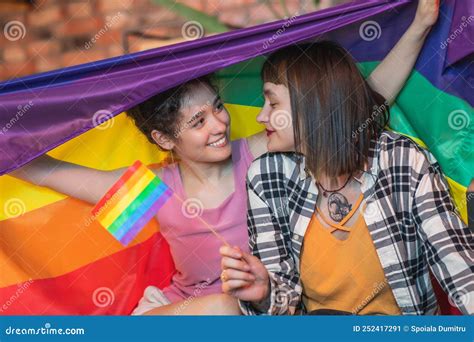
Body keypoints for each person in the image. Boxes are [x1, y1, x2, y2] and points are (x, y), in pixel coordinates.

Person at [10, 0, 440, 316]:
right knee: (220, 309)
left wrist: (420, 25)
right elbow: (48, 171)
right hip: (180, 313)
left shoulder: (258, 159)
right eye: (198, 121)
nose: (219, 124)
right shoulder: (153, 192)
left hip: (263, 308)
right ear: (163, 138)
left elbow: (355, 107)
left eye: (217, 106)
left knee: (232, 309)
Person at [220, 1, 473, 315]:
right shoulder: (266, 176)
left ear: (312, 105)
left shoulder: (405, 162)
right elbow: (280, 306)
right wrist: (264, 293)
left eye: (272, 103)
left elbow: (457, 265)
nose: (260, 117)